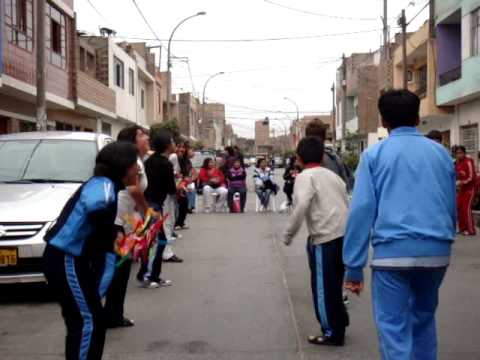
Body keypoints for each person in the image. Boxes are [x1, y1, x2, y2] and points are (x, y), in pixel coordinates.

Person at [343, 90, 456, 359]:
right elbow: (449, 203)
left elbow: (361, 212)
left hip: (391, 256)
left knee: (393, 328)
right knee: (424, 320)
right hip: (437, 253)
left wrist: (354, 268)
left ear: (382, 120)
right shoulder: (441, 154)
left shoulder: (374, 156)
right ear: (418, 118)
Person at [43, 141, 139, 360]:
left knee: (91, 318)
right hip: (65, 258)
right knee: (87, 320)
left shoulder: (108, 185)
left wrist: (116, 237)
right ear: (123, 166)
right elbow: (97, 204)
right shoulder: (103, 185)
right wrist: (109, 233)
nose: (138, 168)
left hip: (72, 260)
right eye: (135, 163)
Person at [284, 136, 349, 346]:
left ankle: (331, 331)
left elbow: (301, 206)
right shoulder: (333, 176)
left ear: (298, 158)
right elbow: (346, 201)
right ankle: (339, 323)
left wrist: (288, 234)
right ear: (322, 156)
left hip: (324, 237)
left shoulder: (305, 177)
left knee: (322, 287)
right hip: (342, 235)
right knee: (335, 284)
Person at [104, 126, 150, 329]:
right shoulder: (132, 161)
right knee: (117, 271)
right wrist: (147, 214)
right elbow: (132, 190)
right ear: (131, 141)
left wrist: (139, 225)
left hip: (124, 220)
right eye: (141, 135)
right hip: (117, 223)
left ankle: (113, 313)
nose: (146, 137)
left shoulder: (137, 161)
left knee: (119, 270)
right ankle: (111, 316)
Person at [143, 130, 183, 285]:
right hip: (154, 206)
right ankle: (150, 276)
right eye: (172, 142)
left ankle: (146, 274)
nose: (175, 144)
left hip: (147, 203)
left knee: (152, 241)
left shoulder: (150, 160)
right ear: (167, 146)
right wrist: (180, 186)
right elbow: (171, 189)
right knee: (158, 241)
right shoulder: (165, 164)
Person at [305, 119, 354, 192]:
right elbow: (349, 185)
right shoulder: (335, 158)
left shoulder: (307, 161)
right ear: (324, 137)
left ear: (307, 139)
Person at [455, 145, 477, 236]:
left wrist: (462, 182)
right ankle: (462, 228)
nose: (459, 155)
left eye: (460, 153)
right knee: (459, 207)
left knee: (466, 209)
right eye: (457, 153)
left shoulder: (468, 162)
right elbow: (456, 175)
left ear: (464, 153)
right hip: (461, 189)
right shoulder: (457, 163)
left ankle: (471, 230)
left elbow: (471, 177)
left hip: (470, 189)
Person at [175, 141, 193, 230]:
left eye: (183, 147)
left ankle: (180, 222)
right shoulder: (173, 158)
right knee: (174, 206)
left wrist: (186, 181)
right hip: (174, 185)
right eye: (179, 147)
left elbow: (188, 173)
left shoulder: (186, 160)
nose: (181, 149)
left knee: (184, 203)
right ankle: (174, 224)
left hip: (182, 185)